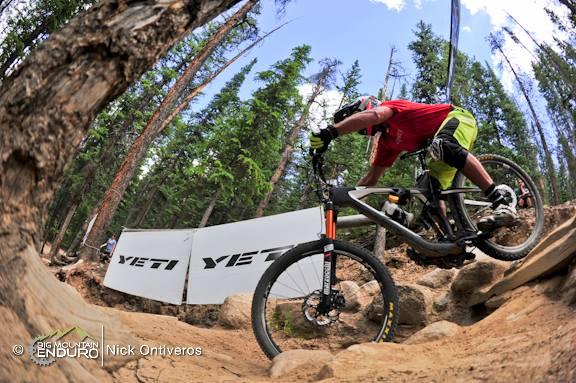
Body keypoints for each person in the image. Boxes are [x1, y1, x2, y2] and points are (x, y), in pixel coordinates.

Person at [309, 96, 517, 230]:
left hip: (459, 119)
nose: (361, 131)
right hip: (438, 153)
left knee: (444, 145)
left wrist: (331, 132)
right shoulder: (386, 143)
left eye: (356, 119)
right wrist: (342, 198)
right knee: (427, 189)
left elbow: (374, 115)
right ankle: (451, 242)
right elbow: (371, 179)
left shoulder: (390, 108)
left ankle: (501, 203)